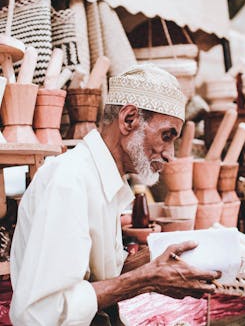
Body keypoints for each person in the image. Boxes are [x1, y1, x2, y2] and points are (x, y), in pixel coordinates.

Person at [9, 64, 220, 326]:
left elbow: (97, 278)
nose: (169, 154)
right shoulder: (68, 181)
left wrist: (155, 258)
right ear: (128, 119)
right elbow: (39, 313)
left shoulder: (104, 183)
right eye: (166, 136)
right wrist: (147, 278)